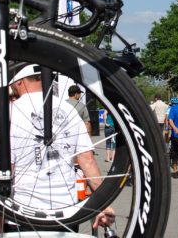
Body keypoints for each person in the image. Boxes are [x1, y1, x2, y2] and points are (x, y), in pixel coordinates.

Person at [7, 65, 114, 231]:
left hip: (22, 212)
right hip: (65, 211)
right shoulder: (69, 110)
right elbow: (88, 161)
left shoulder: (11, 112)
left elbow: (7, 169)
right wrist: (103, 204)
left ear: (19, 82)